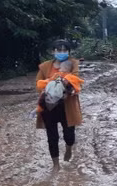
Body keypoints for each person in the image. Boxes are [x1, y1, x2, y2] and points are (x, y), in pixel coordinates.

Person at [35, 39, 84, 169]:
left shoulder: (72, 63)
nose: (62, 52)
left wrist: (67, 91)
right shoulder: (45, 66)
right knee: (52, 136)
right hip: (49, 106)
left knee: (69, 134)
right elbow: (39, 83)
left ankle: (68, 148)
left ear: (68, 52)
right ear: (53, 51)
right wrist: (48, 90)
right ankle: (56, 164)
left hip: (66, 105)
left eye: (65, 50)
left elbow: (75, 80)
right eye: (59, 50)